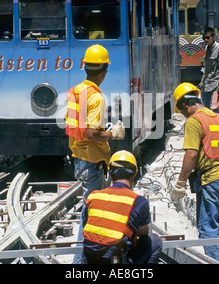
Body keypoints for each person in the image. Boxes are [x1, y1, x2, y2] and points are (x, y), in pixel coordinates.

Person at [65, 44, 125, 263]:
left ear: (85, 67)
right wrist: (112, 134)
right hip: (92, 160)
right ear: (104, 71)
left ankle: (87, 256)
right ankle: (81, 261)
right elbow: (91, 133)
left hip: (79, 158)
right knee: (91, 213)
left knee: (88, 208)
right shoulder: (96, 98)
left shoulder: (76, 91)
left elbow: (78, 129)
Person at [172, 82, 219, 263]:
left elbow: (191, 153)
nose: (184, 116)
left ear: (185, 105)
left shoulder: (194, 120)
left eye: (182, 111)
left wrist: (181, 182)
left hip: (211, 180)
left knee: (208, 229)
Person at [81, 150, 162, 264]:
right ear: (134, 174)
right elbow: (143, 233)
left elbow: (85, 224)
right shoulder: (139, 201)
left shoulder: (93, 196)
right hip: (117, 259)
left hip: (90, 259)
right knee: (154, 240)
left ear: (111, 174)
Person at [199, 27, 219, 114]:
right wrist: (202, 81)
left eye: (208, 37)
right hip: (207, 85)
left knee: (215, 111)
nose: (206, 40)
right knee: (206, 111)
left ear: (214, 37)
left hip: (215, 85)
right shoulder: (207, 48)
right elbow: (206, 67)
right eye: (204, 38)